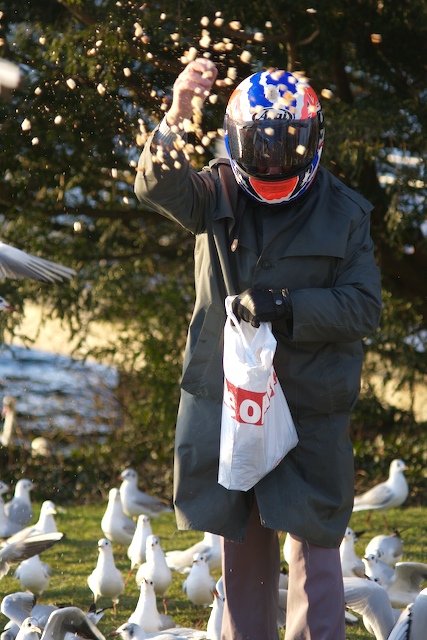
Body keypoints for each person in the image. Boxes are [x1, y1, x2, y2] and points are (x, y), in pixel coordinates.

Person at [134, 58, 382, 640]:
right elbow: (154, 184)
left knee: (315, 546)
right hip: (234, 400)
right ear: (236, 138)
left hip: (311, 404)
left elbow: (364, 307)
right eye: (260, 148)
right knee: (241, 544)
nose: (272, 163)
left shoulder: (347, 213)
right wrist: (177, 114)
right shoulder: (213, 191)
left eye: (287, 149)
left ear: (313, 138)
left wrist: (286, 304)